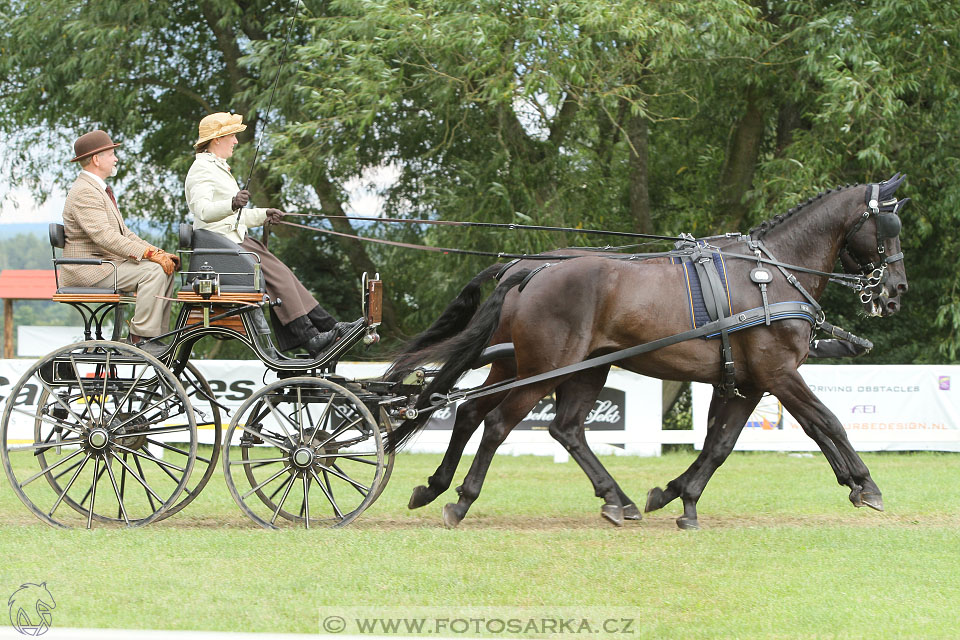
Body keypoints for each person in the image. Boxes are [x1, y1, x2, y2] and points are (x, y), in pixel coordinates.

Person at [184, 112, 359, 357]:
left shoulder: (217, 167)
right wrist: (233, 203)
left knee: (284, 275)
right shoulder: (202, 168)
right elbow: (201, 210)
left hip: (233, 242)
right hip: (219, 248)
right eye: (232, 136)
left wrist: (264, 214)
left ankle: (327, 328)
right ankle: (313, 337)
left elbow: (235, 217)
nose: (235, 141)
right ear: (217, 139)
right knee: (280, 278)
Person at [61, 130, 179, 355]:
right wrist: (149, 255)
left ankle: (154, 335)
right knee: (153, 272)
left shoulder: (98, 189)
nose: (116, 159)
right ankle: (140, 337)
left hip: (103, 265)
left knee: (166, 267)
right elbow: (104, 236)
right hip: (89, 270)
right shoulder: (85, 192)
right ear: (97, 159)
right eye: (112, 154)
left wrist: (157, 252)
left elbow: (124, 234)